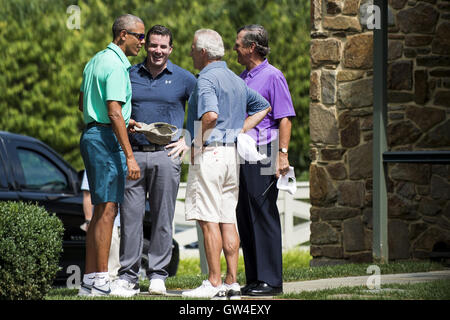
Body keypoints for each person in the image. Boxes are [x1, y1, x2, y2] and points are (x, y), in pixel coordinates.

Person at [182, 29, 271, 299]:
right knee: (227, 219)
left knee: (208, 220)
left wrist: (195, 143)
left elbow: (209, 115)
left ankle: (213, 282)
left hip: (211, 154)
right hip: (232, 156)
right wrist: (239, 130)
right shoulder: (235, 79)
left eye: (193, 49)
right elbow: (263, 106)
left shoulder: (207, 78)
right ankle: (231, 282)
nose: (191, 54)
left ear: (204, 53)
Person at [111, 25, 196, 297]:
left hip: (167, 157)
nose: (157, 51)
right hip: (133, 156)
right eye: (153, 45)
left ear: (171, 49)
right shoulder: (129, 75)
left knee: (162, 218)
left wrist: (189, 139)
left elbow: (205, 109)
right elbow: (116, 108)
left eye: (163, 46)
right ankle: (128, 277)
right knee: (131, 218)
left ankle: (158, 275)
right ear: (146, 45)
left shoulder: (184, 78)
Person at [77, 14, 144, 296]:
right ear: (122, 35)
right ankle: (103, 279)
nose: (142, 42)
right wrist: (130, 156)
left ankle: (91, 280)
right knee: (107, 211)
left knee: (100, 210)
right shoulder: (117, 66)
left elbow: (82, 102)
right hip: (106, 139)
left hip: (92, 134)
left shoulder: (95, 60)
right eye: (139, 36)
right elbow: (114, 110)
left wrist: (123, 119)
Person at [233, 24, 296, 296]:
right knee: (244, 216)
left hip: (265, 151)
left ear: (251, 47)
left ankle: (271, 281)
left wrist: (282, 155)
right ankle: (256, 279)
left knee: (263, 214)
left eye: (238, 44)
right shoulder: (241, 77)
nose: (234, 48)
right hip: (242, 153)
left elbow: (285, 118)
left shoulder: (273, 76)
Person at [80, 170, 121, 281]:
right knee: (110, 268)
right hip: (108, 224)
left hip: (125, 223)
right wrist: (88, 221)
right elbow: (87, 194)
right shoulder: (96, 159)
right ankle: (104, 285)